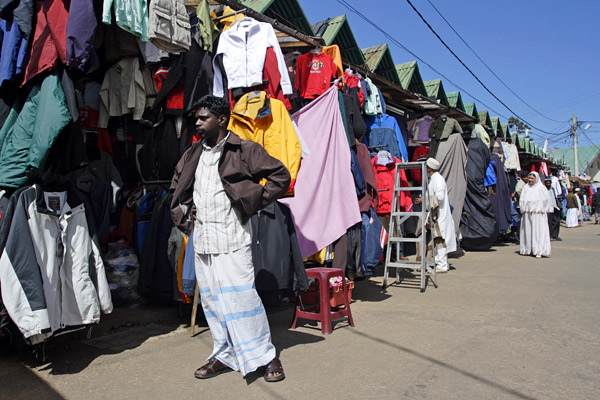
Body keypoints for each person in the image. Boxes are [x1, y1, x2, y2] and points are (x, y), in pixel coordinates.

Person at [169, 95, 291, 382]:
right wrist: (186, 219)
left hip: (232, 237)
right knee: (213, 302)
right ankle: (223, 353)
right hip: (203, 240)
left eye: (203, 118)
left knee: (243, 299)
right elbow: (177, 186)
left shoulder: (244, 149)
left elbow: (280, 176)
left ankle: (267, 355)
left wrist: (253, 200)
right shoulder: (192, 153)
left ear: (222, 120)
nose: (197, 123)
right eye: (197, 118)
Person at [426, 158, 456, 272]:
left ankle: (442, 264)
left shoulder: (438, 180)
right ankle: (441, 262)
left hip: (440, 215)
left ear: (429, 168)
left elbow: (440, 197)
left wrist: (426, 200)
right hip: (436, 214)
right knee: (438, 238)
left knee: (441, 238)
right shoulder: (434, 179)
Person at [519, 172, 552, 258]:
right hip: (527, 213)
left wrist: (539, 207)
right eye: (529, 178)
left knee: (538, 231)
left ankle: (539, 250)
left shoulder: (541, 188)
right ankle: (528, 249)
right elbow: (522, 199)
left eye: (532, 178)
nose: (530, 180)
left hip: (538, 214)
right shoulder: (526, 188)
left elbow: (546, 200)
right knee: (528, 230)